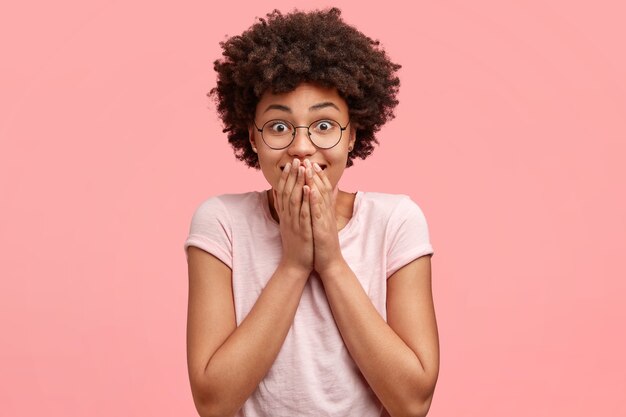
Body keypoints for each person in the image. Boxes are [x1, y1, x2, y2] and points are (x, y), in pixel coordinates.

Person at [184, 8, 439, 417]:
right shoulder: (221, 223)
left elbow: (412, 402)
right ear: (252, 137)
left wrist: (332, 261)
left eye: (323, 125)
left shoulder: (395, 221)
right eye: (280, 127)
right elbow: (213, 402)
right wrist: (294, 263)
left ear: (352, 134)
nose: (302, 147)